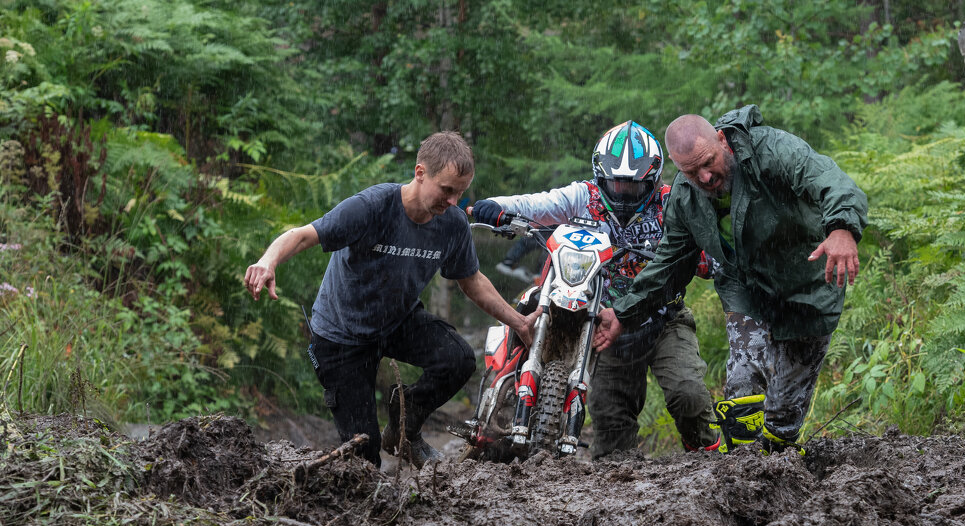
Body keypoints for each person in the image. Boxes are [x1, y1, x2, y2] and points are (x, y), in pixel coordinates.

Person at [244, 131, 538, 468]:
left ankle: (404, 427)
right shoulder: (372, 207)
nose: (454, 201)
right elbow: (302, 236)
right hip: (342, 337)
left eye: (460, 193)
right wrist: (268, 261)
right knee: (364, 458)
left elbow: (472, 281)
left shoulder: (452, 223)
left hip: (397, 321)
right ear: (420, 172)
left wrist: (518, 322)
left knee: (457, 359)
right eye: (447, 190)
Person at [593, 106, 868, 453]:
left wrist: (842, 228)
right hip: (747, 289)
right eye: (692, 172)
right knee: (743, 389)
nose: (706, 178)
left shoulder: (770, 150)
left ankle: (780, 467)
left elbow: (829, 179)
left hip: (807, 286)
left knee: (782, 419)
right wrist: (623, 312)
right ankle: (739, 470)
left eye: (709, 163)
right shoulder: (685, 197)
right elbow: (669, 265)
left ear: (722, 140)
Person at [470, 120, 719, 458]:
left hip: (664, 319)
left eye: (632, 187)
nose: (622, 192)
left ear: (651, 179)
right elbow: (539, 204)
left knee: (688, 396)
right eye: (615, 183)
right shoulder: (584, 196)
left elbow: (706, 246)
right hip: (601, 324)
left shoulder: (671, 201)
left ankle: (712, 462)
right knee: (611, 426)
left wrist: (709, 258)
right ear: (601, 176)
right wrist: (498, 206)